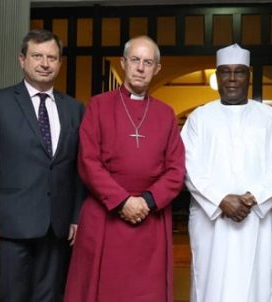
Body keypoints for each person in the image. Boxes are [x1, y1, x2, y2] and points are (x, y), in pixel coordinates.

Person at [64, 36, 186, 302]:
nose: (141, 67)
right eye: (135, 60)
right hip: (104, 215)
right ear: (123, 63)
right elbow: (88, 160)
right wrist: (121, 201)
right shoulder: (98, 105)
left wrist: (147, 201)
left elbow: (176, 169)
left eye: (148, 62)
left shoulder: (166, 114)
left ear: (157, 69)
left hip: (150, 218)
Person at [0, 29, 84, 301]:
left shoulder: (74, 109)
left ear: (60, 63)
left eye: (52, 57)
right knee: (13, 296)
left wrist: (77, 217)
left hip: (57, 227)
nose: (45, 63)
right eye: (37, 56)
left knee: (50, 297)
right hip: (11, 227)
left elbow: (79, 167)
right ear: (22, 60)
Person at [180, 43, 272, 302]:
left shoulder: (271, 118)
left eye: (239, 72)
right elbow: (188, 164)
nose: (232, 79)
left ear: (248, 76)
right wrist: (221, 199)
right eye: (225, 72)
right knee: (209, 282)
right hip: (211, 220)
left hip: (255, 219)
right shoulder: (199, 118)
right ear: (217, 76)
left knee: (254, 285)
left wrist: (251, 198)